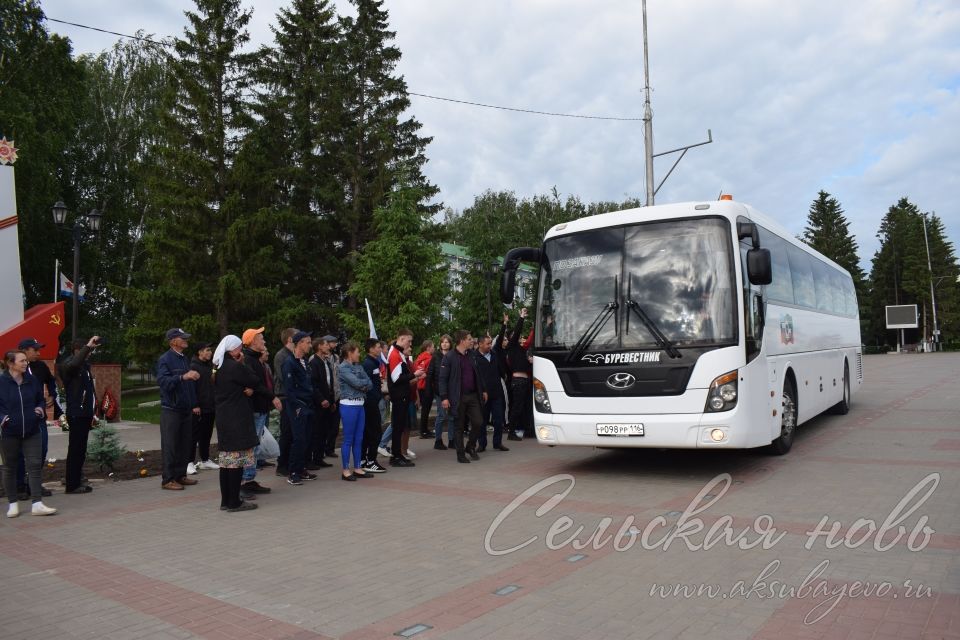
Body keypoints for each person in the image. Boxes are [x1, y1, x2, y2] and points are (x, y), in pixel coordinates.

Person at [0, 350, 57, 517]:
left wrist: (39, 409)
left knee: (34, 466)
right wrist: (3, 419)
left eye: (26, 360)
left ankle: (37, 503)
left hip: (32, 430)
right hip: (9, 432)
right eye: (22, 361)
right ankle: (12, 504)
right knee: (9, 467)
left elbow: (40, 398)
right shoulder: (2, 382)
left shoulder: (32, 380)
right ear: (10, 364)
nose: (25, 363)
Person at [211, 335, 259, 512]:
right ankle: (234, 502)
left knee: (226, 463)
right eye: (239, 347)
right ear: (232, 350)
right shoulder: (234, 366)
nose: (241, 350)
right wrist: (243, 363)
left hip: (224, 419)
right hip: (237, 419)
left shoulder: (219, 367)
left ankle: (226, 500)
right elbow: (254, 379)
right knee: (236, 463)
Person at [157, 328, 200, 490]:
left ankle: (180, 475)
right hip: (171, 409)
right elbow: (163, 382)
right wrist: (183, 376)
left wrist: (193, 402)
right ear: (173, 341)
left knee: (184, 444)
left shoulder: (184, 359)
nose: (186, 340)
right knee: (171, 445)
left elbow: (188, 385)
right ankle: (168, 479)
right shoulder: (165, 359)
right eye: (182, 338)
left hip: (185, 409)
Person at [58, 336, 101, 494]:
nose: (90, 353)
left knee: (80, 450)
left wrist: (94, 408)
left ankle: (76, 481)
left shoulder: (84, 366)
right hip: (76, 413)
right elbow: (74, 364)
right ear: (78, 350)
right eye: (87, 350)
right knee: (75, 450)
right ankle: (72, 485)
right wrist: (88, 346)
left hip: (85, 414)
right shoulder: (68, 365)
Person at [18, 337, 58, 499]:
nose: (38, 353)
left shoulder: (40, 366)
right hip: (20, 417)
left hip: (38, 416)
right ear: (24, 351)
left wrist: (52, 395)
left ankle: (33, 483)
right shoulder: (14, 368)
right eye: (35, 350)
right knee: (20, 452)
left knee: (42, 448)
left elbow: (51, 381)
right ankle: (20, 486)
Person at [439, 330, 487, 463]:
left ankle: (470, 446)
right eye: (470, 339)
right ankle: (460, 454)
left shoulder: (472, 355)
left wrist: (483, 389)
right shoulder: (449, 357)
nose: (472, 341)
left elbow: (478, 374)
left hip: (472, 395)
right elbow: (442, 379)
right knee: (459, 426)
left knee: (478, 421)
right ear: (462, 341)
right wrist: (444, 397)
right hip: (457, 397)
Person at [242, 328, 282, 483]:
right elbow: (255, 383)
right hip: (255, 409)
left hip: (261, 408)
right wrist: (273, 397)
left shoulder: (255, 359)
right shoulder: (248, 359)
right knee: (253, 446)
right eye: (261, 338)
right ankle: (247, 479)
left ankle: (250, 479)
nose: (264, 341)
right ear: (252, 341)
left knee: (255, 446)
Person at [281, 330, 316, 485]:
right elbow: (288, 389)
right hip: (298, 406)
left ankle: (301, 468)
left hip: (308, 405)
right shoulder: (289, 363)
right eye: (307, 342)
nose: (310, 345)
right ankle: (293, 471)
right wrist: (297, 406)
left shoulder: (305, 361)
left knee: (307, 439)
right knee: (299, 439)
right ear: (300, 343)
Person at [385, 329, 423, 467]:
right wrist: (415, 374)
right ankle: (396, 456)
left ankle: (398, 454)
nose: (410, 343)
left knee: (400, 427)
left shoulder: (398, 353)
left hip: (402, 396)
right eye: (409, 341)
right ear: (401, 339)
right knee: (398, 427)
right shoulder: (395, 354)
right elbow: (396, 379)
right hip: (399, 396)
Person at [336, 342, 373, 481]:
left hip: (360, 405)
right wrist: (362, 385)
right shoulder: (343, 368)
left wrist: (362, 385)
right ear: (350, 353)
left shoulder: (359, 366)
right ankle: (345, 470)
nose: (359, 354)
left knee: (359, 439)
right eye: (357, 352)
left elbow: (369, 383)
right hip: (348, 406)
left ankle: (357, 468)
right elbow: (357, 383)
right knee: (348, 439)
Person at [473, 334, 509, 453]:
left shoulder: (494, 355)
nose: (489, 346)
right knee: (482, 420)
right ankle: (482, 444)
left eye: (490, 343)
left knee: (498, 419)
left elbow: (500, 370)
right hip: (483, 395)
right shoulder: (474, 358)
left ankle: (497, 443)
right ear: (480, 344)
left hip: (496, 392)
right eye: (487, 343)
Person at [189, 342, 218, 474]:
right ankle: (188, 462)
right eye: (207, 350)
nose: (210, 352)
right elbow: (190, 388)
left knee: (206, 435)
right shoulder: (193, 366)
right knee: (193, 436)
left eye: (210, 350)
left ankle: (205, 460)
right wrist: (195, 405)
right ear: (199, 352)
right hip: (198, 408)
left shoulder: (208, 367)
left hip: (210, 407)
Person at [308, 337, 337, 468]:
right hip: (319, 403)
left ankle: (319, 458)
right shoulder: (314, 362)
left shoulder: (326, 361)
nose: (328, 347)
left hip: (328, 400)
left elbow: (329, 383)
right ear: (319, 346)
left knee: (325, 430)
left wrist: (332, 400)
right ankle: (314, 458)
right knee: (317, 431)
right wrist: (321, 399)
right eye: (325, 345)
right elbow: (313, 384)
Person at [359, 339, 387, 473]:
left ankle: (364, 460)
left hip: (372, 401)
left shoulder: (373, 363)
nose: (380, 349)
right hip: (370, 403)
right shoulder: (368, 364)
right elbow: (367, 385)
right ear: (370, 349)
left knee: (369, 432)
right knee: (374, 432)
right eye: (377, 347)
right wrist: (376, 397)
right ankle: (370, 461)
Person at [506, 308, 534, 440]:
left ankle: (528, 430)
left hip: (525, 381)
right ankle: (511, 432)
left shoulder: (521, 349)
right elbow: (517, 332)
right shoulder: (512, 347)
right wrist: (522, 317)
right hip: (518, 382)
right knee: (517, 407)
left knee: (526, 407)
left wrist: (530, 362)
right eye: (514, 336)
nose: (518, 337)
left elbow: (528, 343)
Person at [273, 328, 296, 476]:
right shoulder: (281, 355)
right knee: (287, 432)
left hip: (293, 397)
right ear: (289, 339)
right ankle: (282, 465)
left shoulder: (293, 355)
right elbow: (284, 378)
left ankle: (289, 462)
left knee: (293, 432)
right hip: (285, 397)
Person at [431, 334, 454, 450]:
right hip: (439, 390)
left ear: (450, 344)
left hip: (452, 390)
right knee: (441, 415)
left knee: (451, 416)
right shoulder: (435, 356)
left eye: (447, 342)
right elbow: (431, 373)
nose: (444, 344)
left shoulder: (453, 355)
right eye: (443, 342)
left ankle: (451, 440)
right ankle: (438, 440)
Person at [414, 340, 434, 439]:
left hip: (419, 386)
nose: (434, 349)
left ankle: (424, 429)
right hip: (426, 386)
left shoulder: (419, 358)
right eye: (433, 346)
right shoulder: (429, 358)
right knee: (426, 410)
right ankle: (423, 431)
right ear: (428, 348)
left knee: (424, 410)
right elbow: (428, 372)